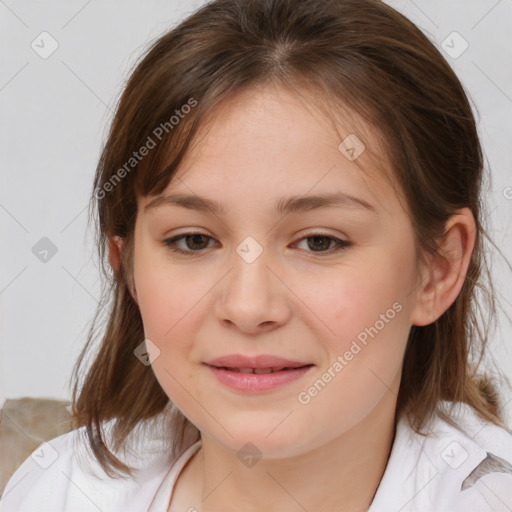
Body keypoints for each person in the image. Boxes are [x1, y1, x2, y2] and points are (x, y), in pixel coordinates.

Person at [2, 0, 512, 510]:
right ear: (128, 268)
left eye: (319, 241)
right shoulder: (58, 492)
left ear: (437, 271)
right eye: (193, 240)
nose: (248, 307)